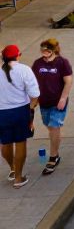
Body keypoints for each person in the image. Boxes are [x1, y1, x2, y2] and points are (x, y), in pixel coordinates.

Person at [30, 39, 72, 175]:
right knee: (50, 126)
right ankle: (56, 144)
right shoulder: (37, 63)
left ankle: (53, 158)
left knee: (54, 127)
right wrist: (33, 101)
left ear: (53, 50)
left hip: (58, 102)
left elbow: (68, 81)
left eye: (47, 50)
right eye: (42, 50)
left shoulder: (62, 63)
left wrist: (63, 98)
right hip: (44, 102)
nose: (44, 53)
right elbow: (32, 82)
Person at [0, 45, 40, 189]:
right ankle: (18, 177)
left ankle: (12, 169)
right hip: (20, 111)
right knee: (20, 142)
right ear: (18, 55)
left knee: (5, 143)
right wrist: (31, 109)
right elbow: (35, 95)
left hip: (2, 112)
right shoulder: (24, 70)